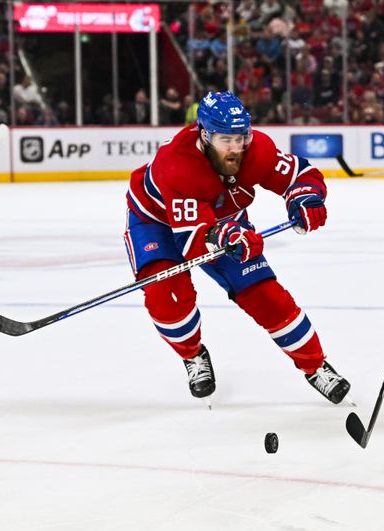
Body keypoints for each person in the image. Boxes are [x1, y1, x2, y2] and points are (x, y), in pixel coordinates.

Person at [124, 91, 351, 406]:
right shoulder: (177, 166)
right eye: (225, 140)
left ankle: (315, 365)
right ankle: (192, 354)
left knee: (266, 295)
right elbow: (192, 242)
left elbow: (300, 173)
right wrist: (225, 236)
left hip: (221, 220)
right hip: (157, 222)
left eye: (240, 138)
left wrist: (305, 197)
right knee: (167, 298)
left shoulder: (257, 149)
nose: (235, 148)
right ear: (205, 135)